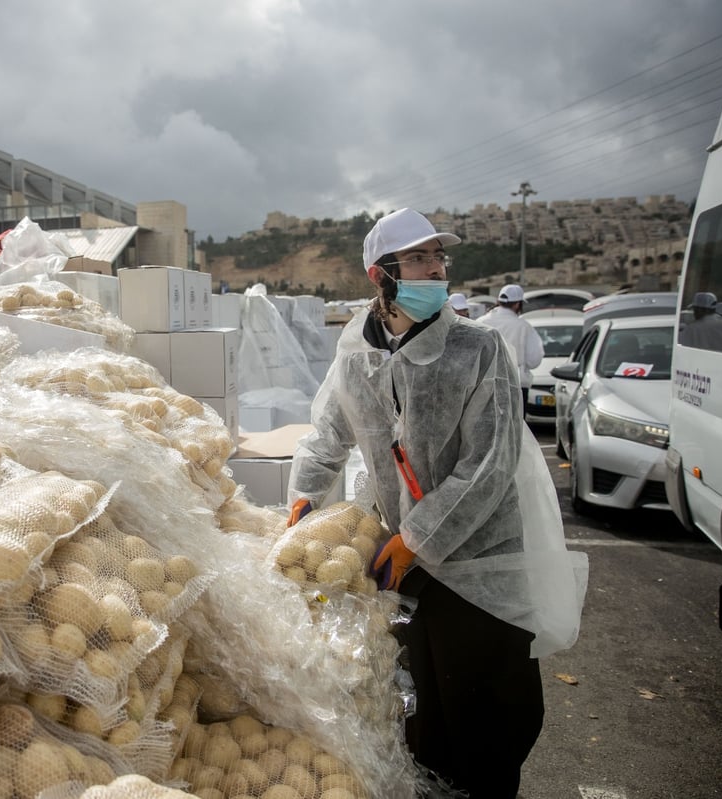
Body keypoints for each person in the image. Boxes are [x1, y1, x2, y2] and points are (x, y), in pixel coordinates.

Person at [286, 208, 583, 798]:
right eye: (420, 258)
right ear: (381, 275)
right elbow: (326, 435)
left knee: (490, 722)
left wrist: (415, 539)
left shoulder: (478, 350)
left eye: (439, 258)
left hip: (477, 569)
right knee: (419, 719)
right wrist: (302, 502)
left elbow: (489, 466)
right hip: (405, 574)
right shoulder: (358, 355)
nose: (436, 269)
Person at [478, 283, 544, 415]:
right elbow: (534, 360)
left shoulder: (480, 323)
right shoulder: (523, 326)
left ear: (499, 301)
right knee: (513, 430)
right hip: (515, 385)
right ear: (517, 304)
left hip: (483, 386)